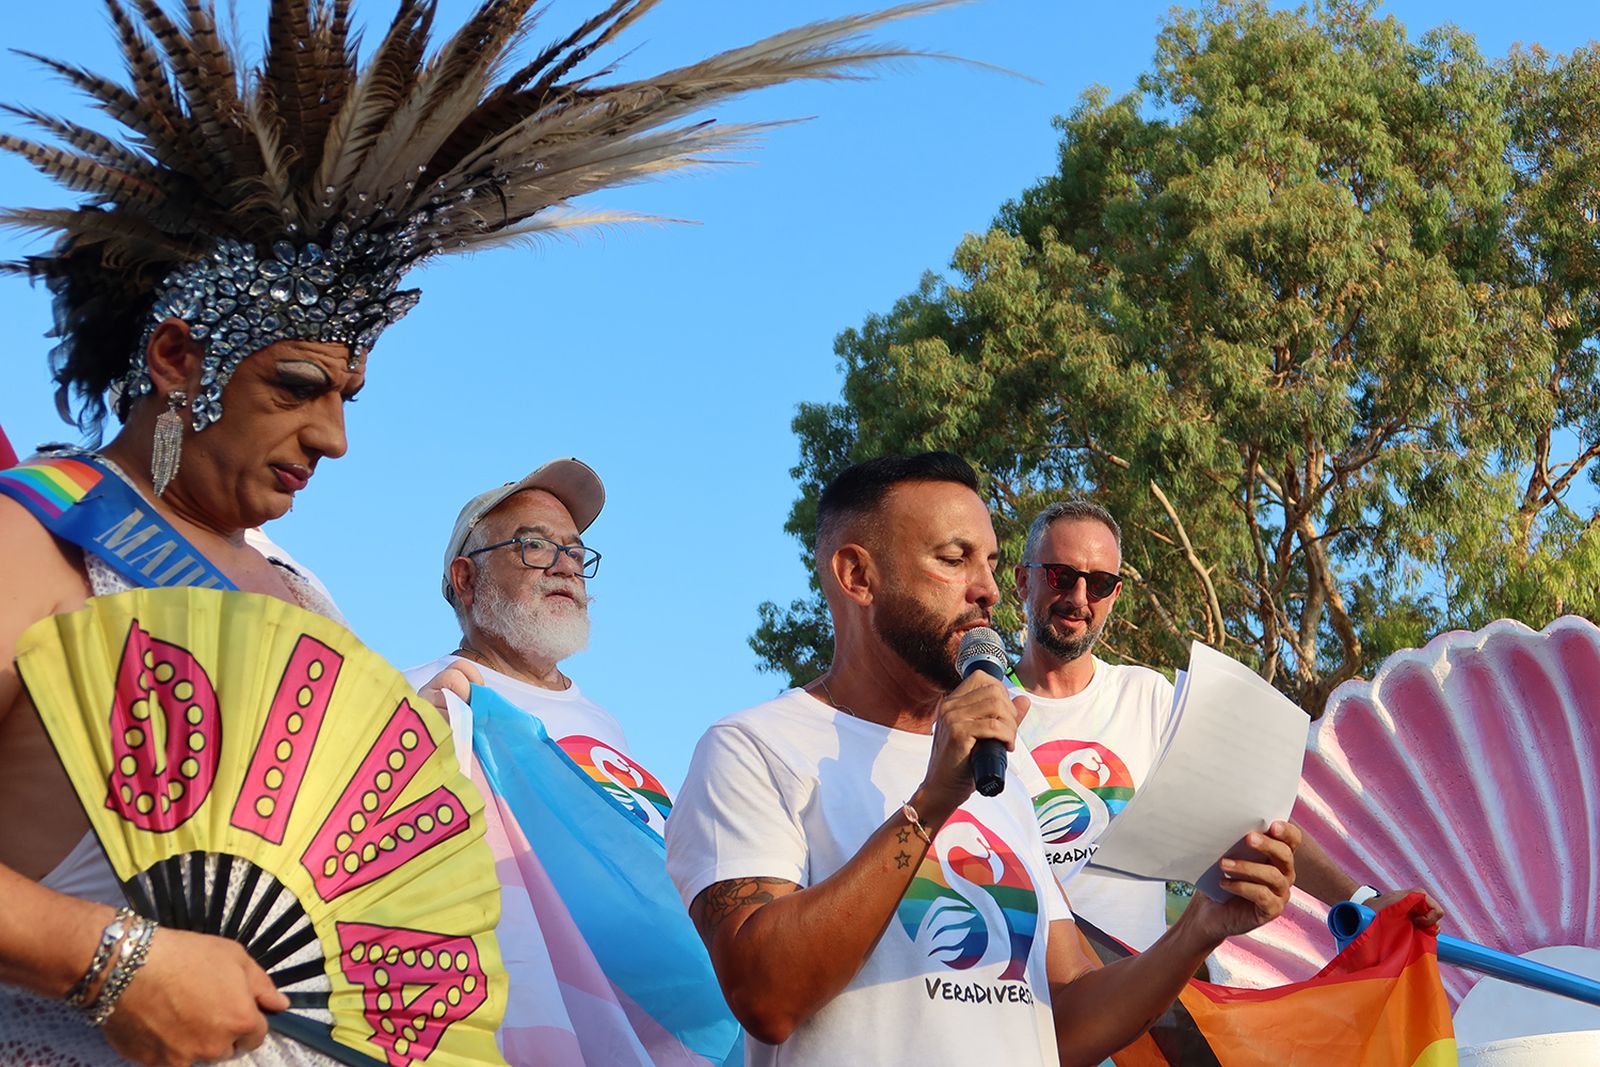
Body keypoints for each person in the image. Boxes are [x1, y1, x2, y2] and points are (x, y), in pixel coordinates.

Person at [0, 1, 944, 1061]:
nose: (335, 436)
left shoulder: (302, 595)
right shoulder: (34, 537)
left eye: (348, 394)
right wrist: (114, 960)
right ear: (178, 359)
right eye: (298, 385)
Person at [665, 452, 1301, 1066]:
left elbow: (1068, 1019)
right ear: (858, 575)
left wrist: (1199, 927)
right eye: (953, 559)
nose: (988, 590)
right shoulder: (754, 749)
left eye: (991, 564)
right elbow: (766, 997)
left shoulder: (1005, 770)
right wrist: (929, 806)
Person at [1012, 499, 1446, 950]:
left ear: (1115, 595)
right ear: (1023, 580)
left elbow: (1253, 818)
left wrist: (1361, 900)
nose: (1080, 598)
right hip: (1009, 977)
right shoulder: (982, 709)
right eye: (1062, 576)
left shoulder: (1146, 697)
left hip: (1130, 983)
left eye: (1100, 583)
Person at [407, 459, 674, 835]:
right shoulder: (413, 698)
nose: (565, 567)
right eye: (534, 545)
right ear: (466, 579)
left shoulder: (605, 724)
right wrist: (410, 756)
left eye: (575, 553)